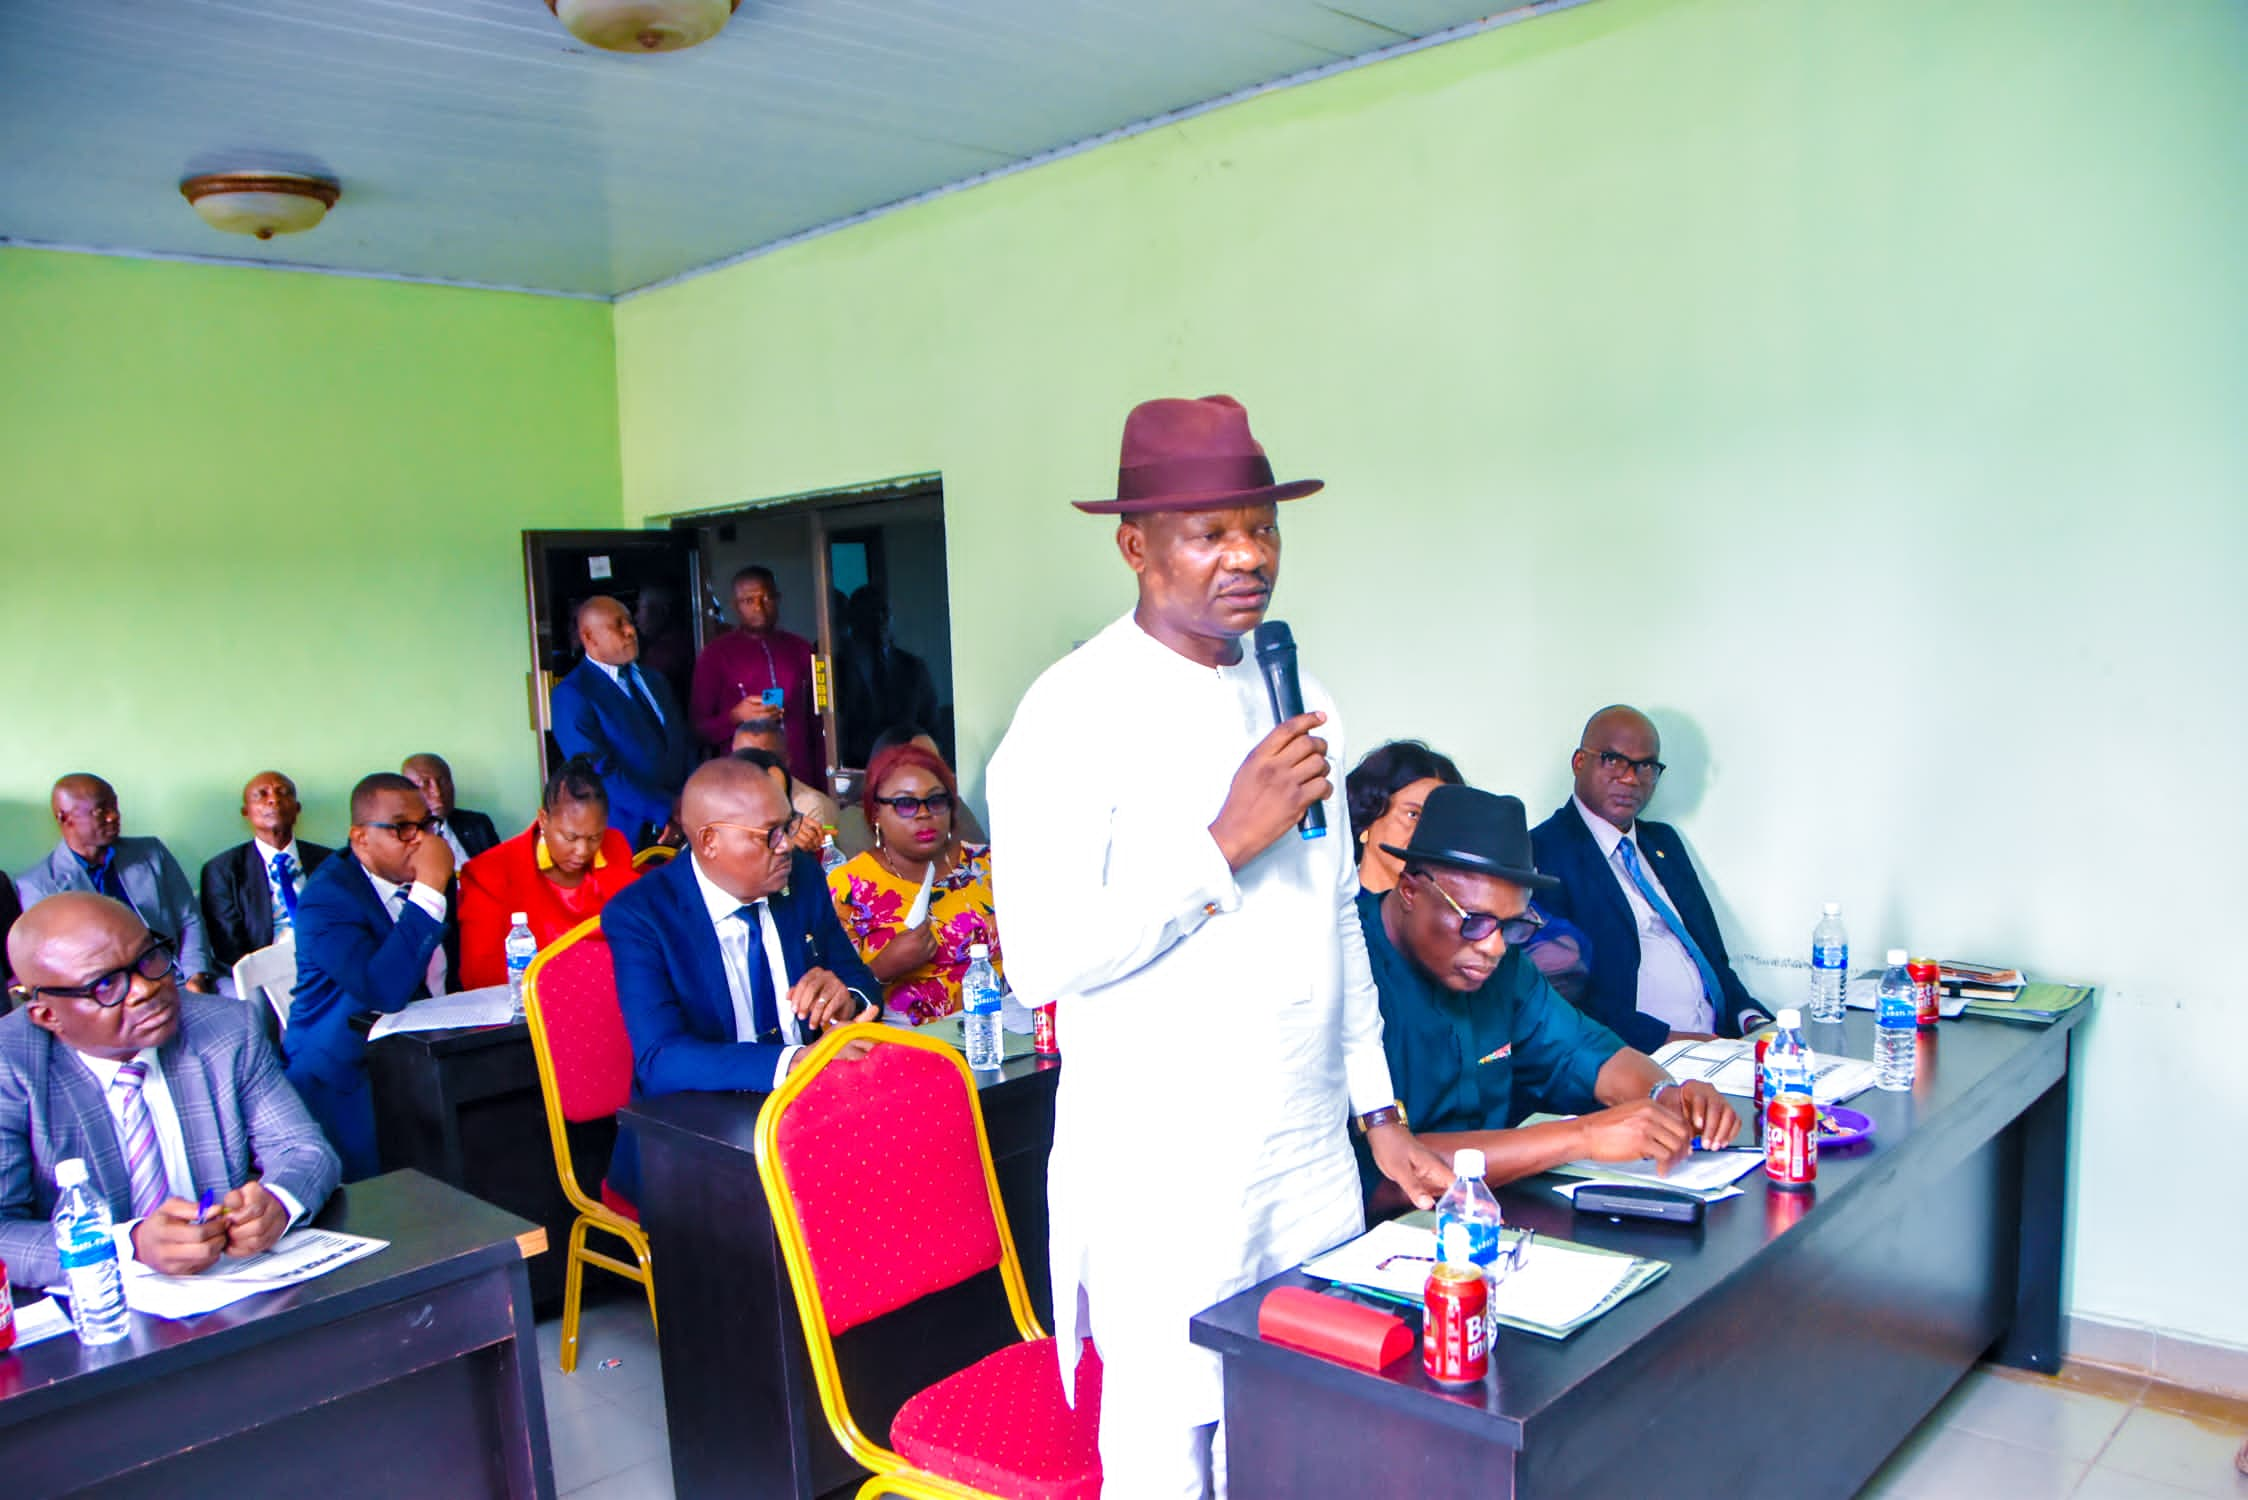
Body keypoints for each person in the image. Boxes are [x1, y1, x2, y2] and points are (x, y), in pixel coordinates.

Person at [985, 394, 1452, 1498]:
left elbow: (1336, 915)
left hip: (1302, 1155)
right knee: (1166, 1452)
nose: (1247, 557)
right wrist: (1220, 846)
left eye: (1263, 527)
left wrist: (1378, 1115)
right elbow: (1038, 960)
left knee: (1300, 1435)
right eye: (1210, 532)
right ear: (1133, 544)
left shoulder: (1303, 698)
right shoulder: (1069, 713)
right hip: (1166, 1171)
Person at [1354, 785, 1738, 1204]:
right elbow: (1386, 1169)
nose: (1495, 947)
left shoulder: (1504, 967)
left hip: (1487, 1219)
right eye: (1475, 921)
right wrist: (1582, 1136)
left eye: (1513, 926)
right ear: (1410, 890)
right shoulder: (1348, 969)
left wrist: (1665, 1096)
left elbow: (1586, 1051)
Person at [0, 893, 340, 1285]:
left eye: (148, 960)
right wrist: (131, 1245)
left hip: (234, 1287)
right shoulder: (12, 1068)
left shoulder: (226, 1029)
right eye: (106, 984)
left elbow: (304, 1150)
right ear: (47, 1015)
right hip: (97, 1315)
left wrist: (278, 1202)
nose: (146, 988)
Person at [601, 757, 880, 1206]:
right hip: (697, 1142)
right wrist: (794, 1063)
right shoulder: (642, 914)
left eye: (788, 824)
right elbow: (660, 1058)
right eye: (770, 833)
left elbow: (860, 979)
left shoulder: (801, 877)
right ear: (710, 841)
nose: (787, 844)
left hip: (813, 1116)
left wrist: (843, 997)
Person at [1531, 706, 1773, 1051]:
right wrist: (1675, 1041)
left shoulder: (1665, 843)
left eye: (1645, 766)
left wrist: (1753, 1021)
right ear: (1579, 762)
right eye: (1613, 760)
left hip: (1723, 1047)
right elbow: (1564, 1000)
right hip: (1638, 1059)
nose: (1631, 778)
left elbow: (1712, 957)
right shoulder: (1543, 852)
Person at [283, 773, 457, 1180]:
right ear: (360, 838)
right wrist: (431, 887)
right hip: (345, 1071)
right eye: (402, 828)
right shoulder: (327, 899)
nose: (421, 841)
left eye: (426, 826)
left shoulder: (427, 879)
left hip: (416, 1052)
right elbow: (383, 990)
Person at [1348, 741, 1591, 1002]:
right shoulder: (1338, 913)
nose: (1427, 831)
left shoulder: (1484, 904)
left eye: (1440, 821)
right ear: (1368, 818)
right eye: (1413, 814)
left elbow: (1569, 950)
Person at [826, 742, 999, 1024]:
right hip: (906, 1049)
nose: (923, 814)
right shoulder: (846, 888)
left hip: (1007, 1034)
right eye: (905, 804)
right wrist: (884, 967)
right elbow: (833, 1005)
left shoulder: (988, 865)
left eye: (936, 801)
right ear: (876, 814)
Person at [456, 755, 638, 990]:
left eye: (594, 837)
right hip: (534, 1007)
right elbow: (479, 976)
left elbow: (637, 932)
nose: (583, 851)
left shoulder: (614, 847)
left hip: (610, 992)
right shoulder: (490, 873)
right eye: (570, 837)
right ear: (543, 819)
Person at [17, 775, 214, 992]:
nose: (114, 816)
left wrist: (195, 976)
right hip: (107, 997)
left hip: (175, 977)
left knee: (245, 1005)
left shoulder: (151, 853)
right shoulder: (39, 885)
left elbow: (189, 919)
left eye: (115, 806)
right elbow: (55, 962)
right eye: (100, 811)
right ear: (64, 817)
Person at [551, 596, 694, 851]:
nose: (630, 631)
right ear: (590, 638)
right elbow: (597, 771)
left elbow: (682, 743)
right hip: (626, 835)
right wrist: (667, 809)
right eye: (618, 625)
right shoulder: (574, 693)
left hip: (684, 826)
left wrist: (690, 802)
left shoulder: (655, 680)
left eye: (629, 621)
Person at [690, 566, 822, 788]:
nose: (759, 607)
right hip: (743, 783)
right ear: (735, 605)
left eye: (766, 597)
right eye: (748, 601)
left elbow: (819, 724)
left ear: (778, 599)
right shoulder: (715, 655)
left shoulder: (802, 649)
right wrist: (735, 716)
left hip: (801, 777)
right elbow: (698, 730)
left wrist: (824, 784)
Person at [199, 771, 335, 973]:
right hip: (265, 972)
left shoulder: (331, 862)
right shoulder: (222, 870)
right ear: (246, 812)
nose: (274, 799)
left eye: (283, 793)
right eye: (261, 795)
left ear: (297, 809)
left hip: (328, 962)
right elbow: (228, 947)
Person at [833, 724, 987, 849]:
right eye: (906, 804)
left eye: (935, 761)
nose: (923, 814)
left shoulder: (952, 806)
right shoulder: (852, 821)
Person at [836, 586, 940, 769]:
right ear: (853, 618)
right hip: (855, 771)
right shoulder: (839, 667)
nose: (880, 618)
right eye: (870, 611)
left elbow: (930, 726)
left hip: (908, 767)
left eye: (885, 611)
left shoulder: (913, 668)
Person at [731, 716, 851, 849]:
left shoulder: (811, 805)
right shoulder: (721, 802)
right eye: (743, 758)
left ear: (786, 761)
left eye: (764, 758)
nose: (752, 768)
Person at [401, 754, 501, 866]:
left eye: (443, 782)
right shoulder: (399, 837)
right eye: (425, 784)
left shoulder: (477, 824)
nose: (437, 792)